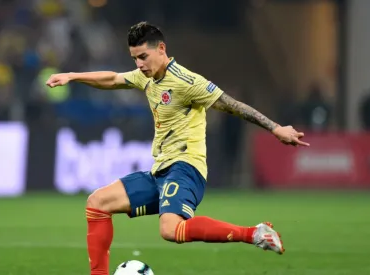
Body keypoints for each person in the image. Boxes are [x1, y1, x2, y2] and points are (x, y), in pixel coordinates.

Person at [46, 22, 310, 275]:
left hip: (186, 168)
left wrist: (275, 128)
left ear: (161, 49)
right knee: (97, 203)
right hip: (160, 170)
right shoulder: (145, 77)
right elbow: (113, 79)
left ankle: (254, 233)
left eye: (143, 56)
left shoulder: (188, 82)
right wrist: (72, 76)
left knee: (170, 230)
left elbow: (232, 104)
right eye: (134, 58)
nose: (139, 64)